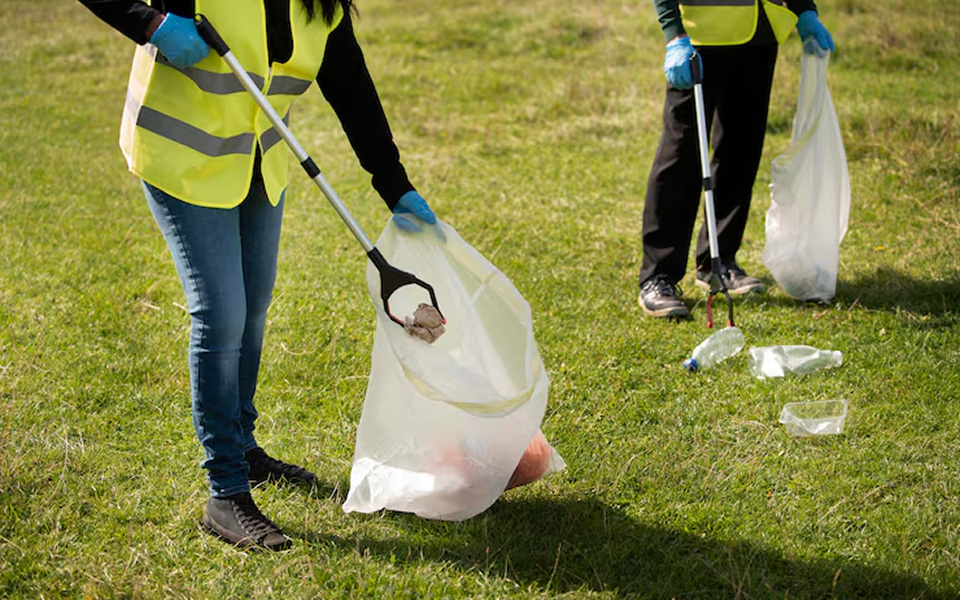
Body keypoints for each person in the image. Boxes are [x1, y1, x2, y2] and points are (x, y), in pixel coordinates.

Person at [78, 0, 438, 550]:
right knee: (220, 313)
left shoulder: (321, 8)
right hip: (180, 156)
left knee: (252, 310)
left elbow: (351, 87)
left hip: (257, 163)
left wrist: (393, 183)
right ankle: (226, 490)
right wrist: (149, 21)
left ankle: (244, 446)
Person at [637, 0, 834, 318]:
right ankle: (658, 275)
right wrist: (674, 33)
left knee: (741, 149)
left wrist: (804, 9)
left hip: (759, 34)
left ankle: (718, 261)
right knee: (682, 153)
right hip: (699, 38)